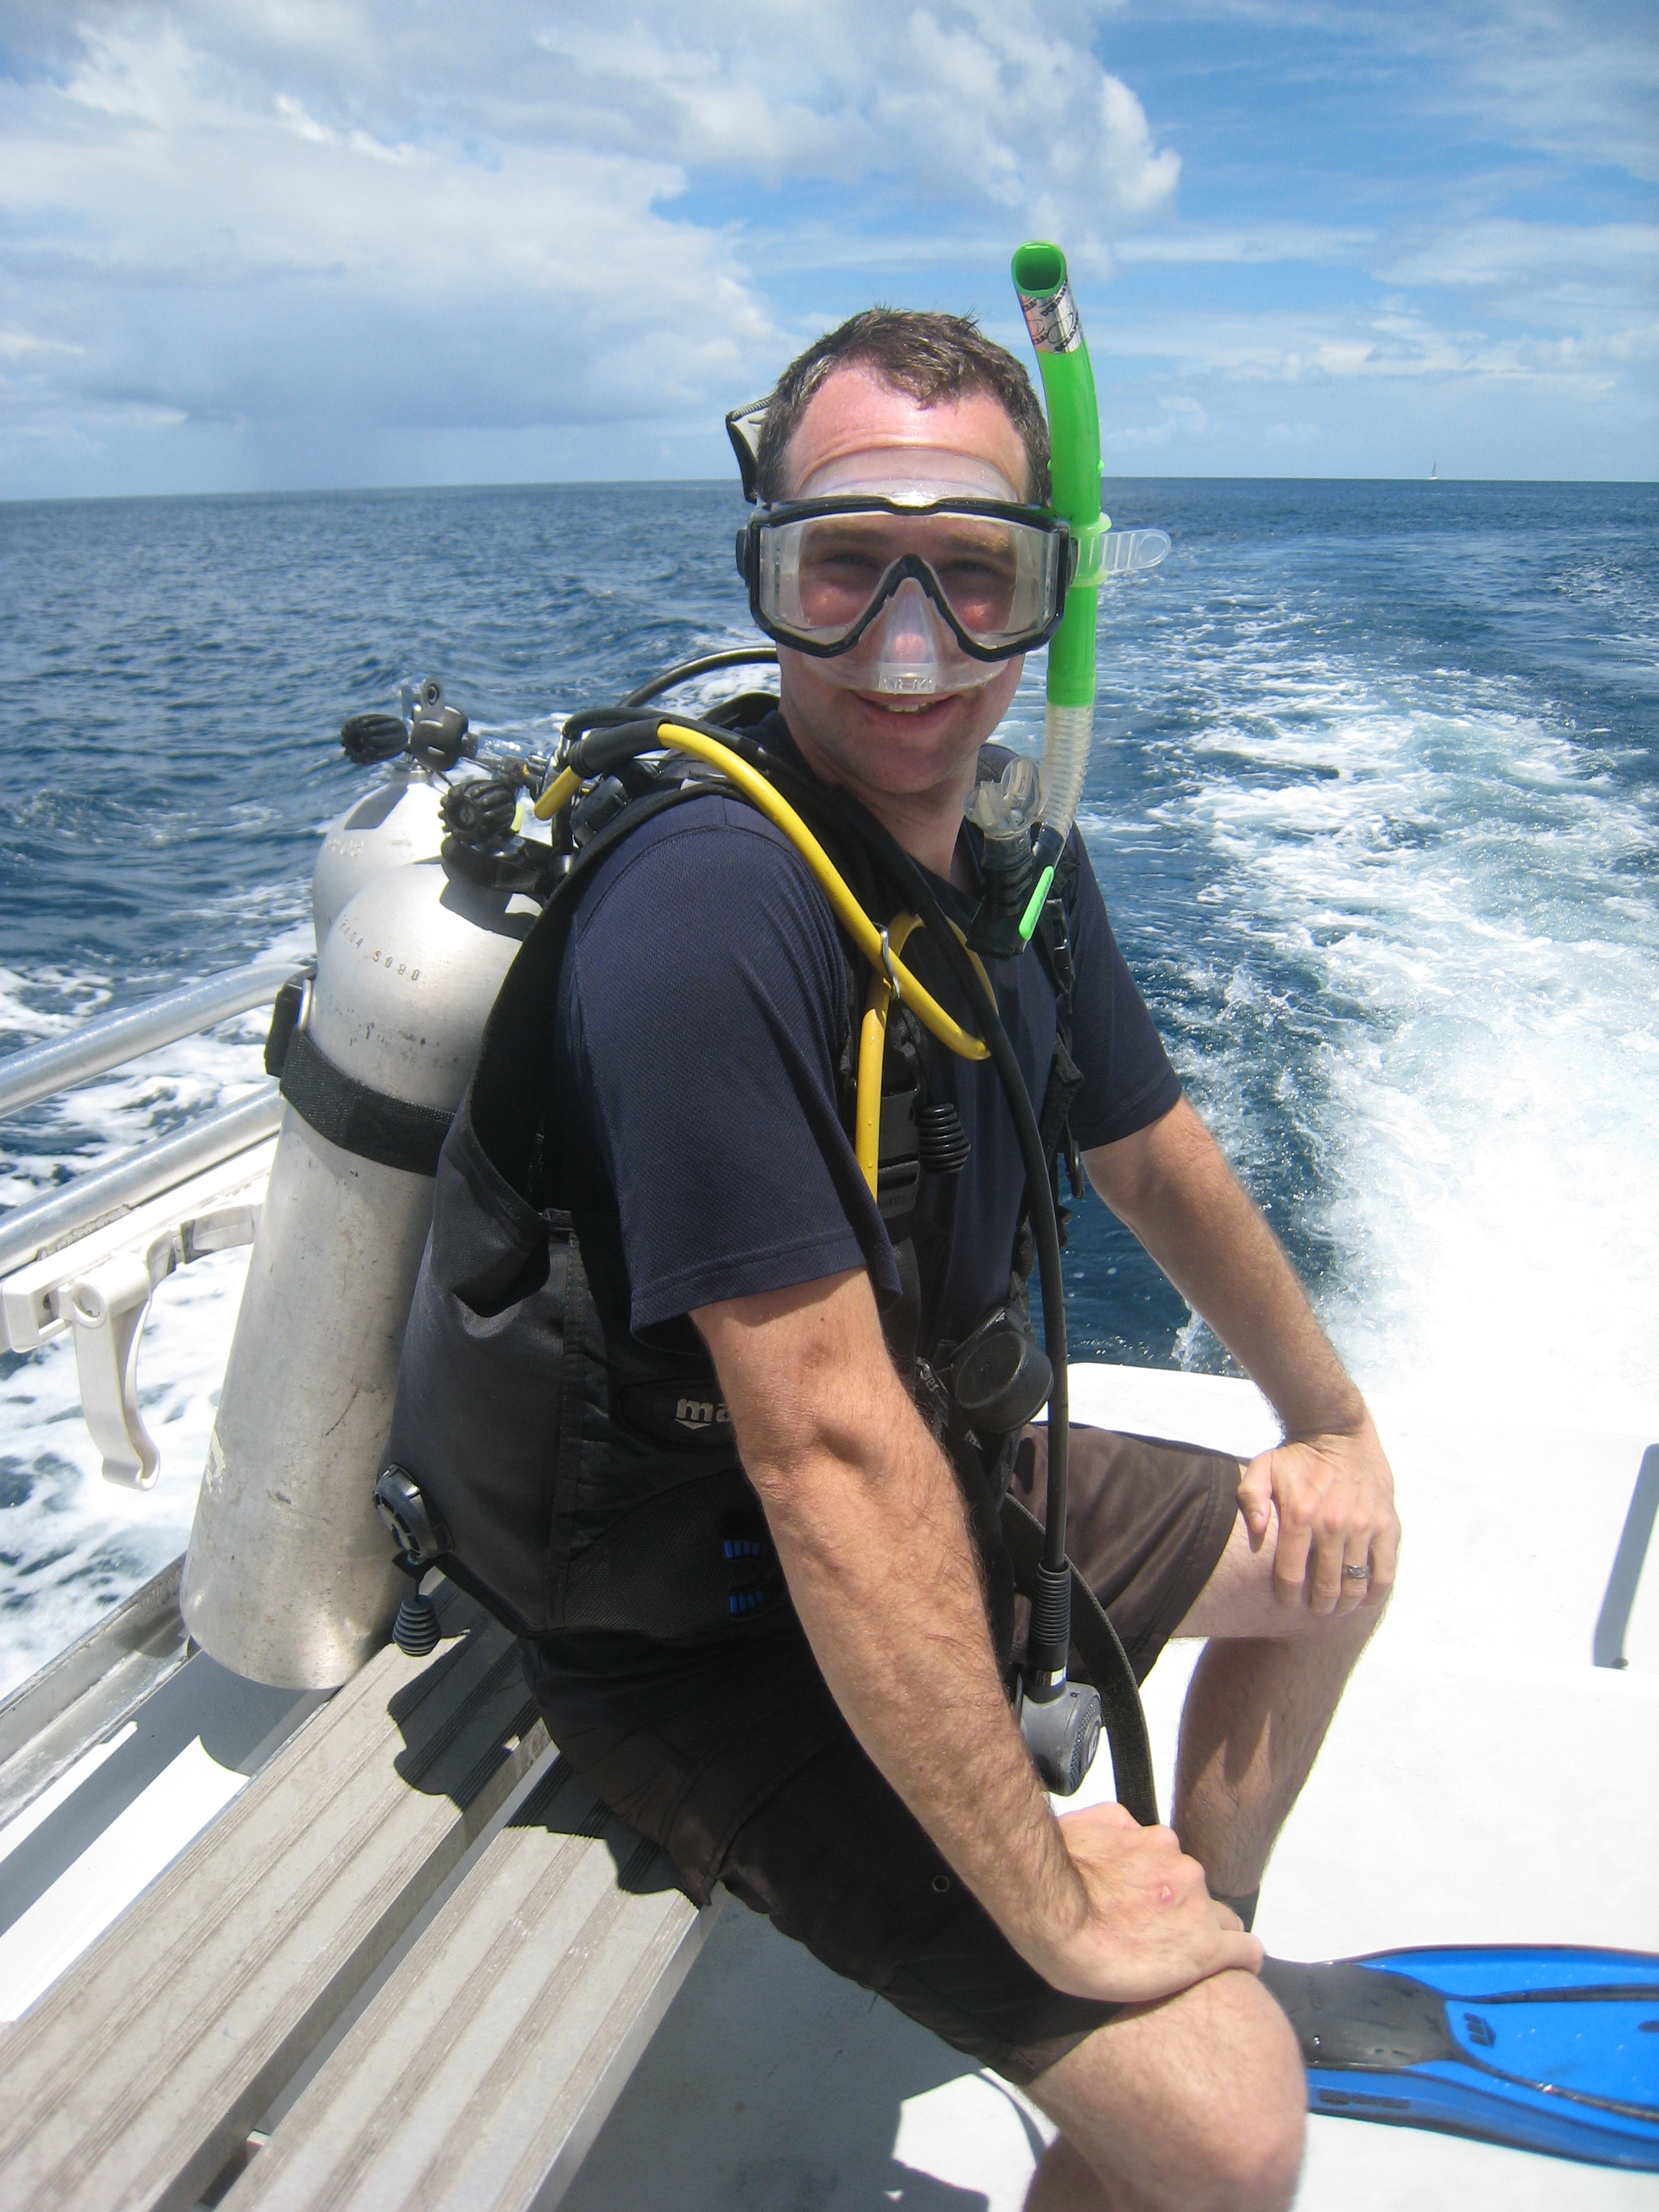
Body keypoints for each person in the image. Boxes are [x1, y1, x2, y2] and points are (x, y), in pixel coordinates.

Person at [419, 309, 1401, 2211]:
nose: (907, 646)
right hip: (699, 1628)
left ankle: (1202, 1930)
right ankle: (1148, 2000)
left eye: (973, 575)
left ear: (1050, 598)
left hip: (936, 1491)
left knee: (1335, 1558)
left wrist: (1333, 1419)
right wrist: (1050, 1910)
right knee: (1231, 2132)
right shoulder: (709, 914)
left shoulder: (1014, 862)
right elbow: (823, 1451)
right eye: (845, 564)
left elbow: (1149, 1153)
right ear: (765, 572)